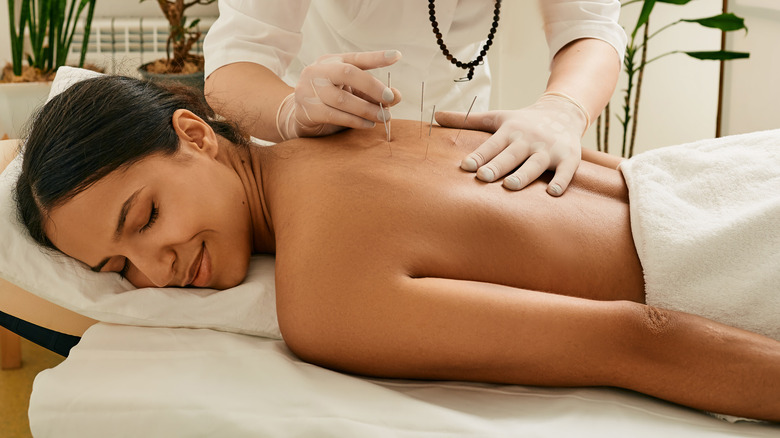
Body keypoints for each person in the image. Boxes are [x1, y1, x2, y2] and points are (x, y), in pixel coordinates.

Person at [15, 76, 780, 422]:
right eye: (116, 270)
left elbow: (634, 339)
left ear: (194, 136)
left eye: (145, 218)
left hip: (734, 251)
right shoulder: (354, 132)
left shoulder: (326, 300)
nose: (157, 270)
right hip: (722, 171)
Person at [202, 0, 627, 196]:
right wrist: (289, 112)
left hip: (460, 156)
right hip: (326, 157)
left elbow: (588, 26)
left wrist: (563, 108)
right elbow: (234, 64)